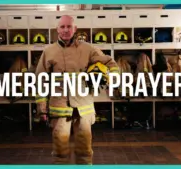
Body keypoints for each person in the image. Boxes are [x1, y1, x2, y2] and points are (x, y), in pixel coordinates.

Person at [35, 15, 119, 164]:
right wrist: (42, 108)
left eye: (69, 27)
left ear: (75, 29)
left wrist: (110, 78)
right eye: (62, 27)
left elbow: (111, 63)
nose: (66, 30)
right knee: (60, 153)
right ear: (57, 29)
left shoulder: (88, 49)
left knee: (85, 152)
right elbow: (40, 80)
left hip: (83, 108)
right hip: (59, 109)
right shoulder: (49, 51)